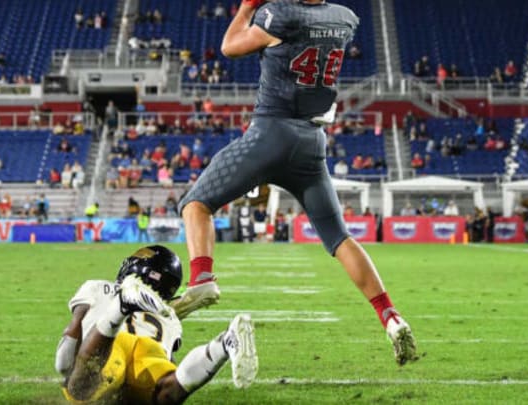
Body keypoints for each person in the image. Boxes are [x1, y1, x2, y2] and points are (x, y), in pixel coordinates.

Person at [175, 0, 417, 366]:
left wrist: (246, 8)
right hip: (312, 141)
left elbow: (230, 47)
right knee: (339, 238)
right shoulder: (345, 18)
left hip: (270, 133)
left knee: (196, 204)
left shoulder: (280, 14)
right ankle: (390, 316)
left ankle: (202, 277)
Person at [56, 246, 258, 404]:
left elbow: (73, 328)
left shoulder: (98, 287)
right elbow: (170, 359)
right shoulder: (168, 315)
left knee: (81, 392)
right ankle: (223, 344)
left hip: (109, 345)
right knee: (165, 394)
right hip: (151, 348)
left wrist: (67, 369)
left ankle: (119, 308)